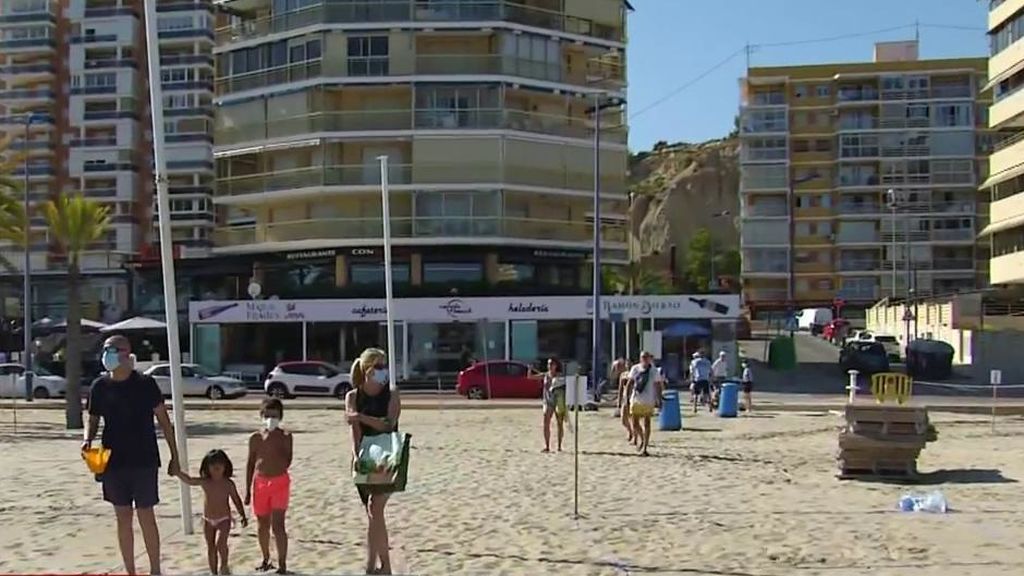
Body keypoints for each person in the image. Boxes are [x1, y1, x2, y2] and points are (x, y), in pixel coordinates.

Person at [82, 335, 181, 576]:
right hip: (112, 462)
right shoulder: (100, 387)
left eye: (112, 350)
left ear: (127, 353)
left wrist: (174, 456)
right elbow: (92, 420)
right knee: (123, 517)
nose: (107, 355)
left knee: (146, 514)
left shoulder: (145, 384)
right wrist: (87, 440)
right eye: (105, 350)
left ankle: (155, 570)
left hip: (144, 459)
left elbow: (165, 422)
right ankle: (130, 571)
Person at [346, 348, 402, 575]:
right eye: (378, 366)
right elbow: (354, 430)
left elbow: (388, 424)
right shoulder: (353, 396)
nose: (383, 370)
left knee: (375, 507)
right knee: (372, 514)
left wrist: (360, 416)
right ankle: (372, 565)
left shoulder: (392, 394)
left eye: (384, 366)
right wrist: (356, 454)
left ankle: (385, 566)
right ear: (367, 369)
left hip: (387, 454)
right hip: (365, 456)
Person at [176, 450, 248, 575]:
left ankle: (224, 565)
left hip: (224, 519)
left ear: (225, 467)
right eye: (213, 465)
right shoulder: (205, 481)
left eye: (219, 465)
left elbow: (236, 500)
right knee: (210, 547)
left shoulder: (228, 483)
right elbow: (189, 480)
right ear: (207, 467)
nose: (216, 468)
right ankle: (213, 572)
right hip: (207, 519)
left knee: (221, 543)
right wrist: (177, 473)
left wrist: (242, 515)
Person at [245, 398, 293, 574]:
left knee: (278, 525)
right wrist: (247, 490)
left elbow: (287, 460)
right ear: (261, 415)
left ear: (280, 416)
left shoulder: (286, 436)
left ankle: (282, 563)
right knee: (262, 524)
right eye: (267, 415)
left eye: (274, 415)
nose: (271, 419)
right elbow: (250, 463)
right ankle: (266, 558)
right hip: (260, 483)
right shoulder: (256, 437)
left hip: (279, 482)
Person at [624, 351, 664, 456]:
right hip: (636, 398)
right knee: (635, 422)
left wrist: (659, 399)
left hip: (648, 399)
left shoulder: (654, 371)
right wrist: (626, 396)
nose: (645, 359)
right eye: (643, 357)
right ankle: (641, 438)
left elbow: (658, 385)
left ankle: (645, 447)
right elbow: (630, 383)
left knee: (647, 423)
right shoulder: (635, 369)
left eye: (647, 357)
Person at [529, 358, 567, 452]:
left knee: (559, 424)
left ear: (555, 366)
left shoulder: (560, 376)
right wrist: (530, 368)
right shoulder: (545, 375)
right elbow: (530, 377)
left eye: (551, 364)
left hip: (558, 402)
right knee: (546, 423)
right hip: (548, 401)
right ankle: (547, 446)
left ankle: (559, 446)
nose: (549, 366)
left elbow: (566, 387)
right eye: (548, 364)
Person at [612, 357, 633, 442]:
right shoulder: (623, 375)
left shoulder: (635, 374)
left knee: (632, 418)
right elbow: (620, 389)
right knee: (624, 419)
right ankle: (630, 430)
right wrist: (619, 401)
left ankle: (634, 435)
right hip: (625, 398)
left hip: (633, 397)